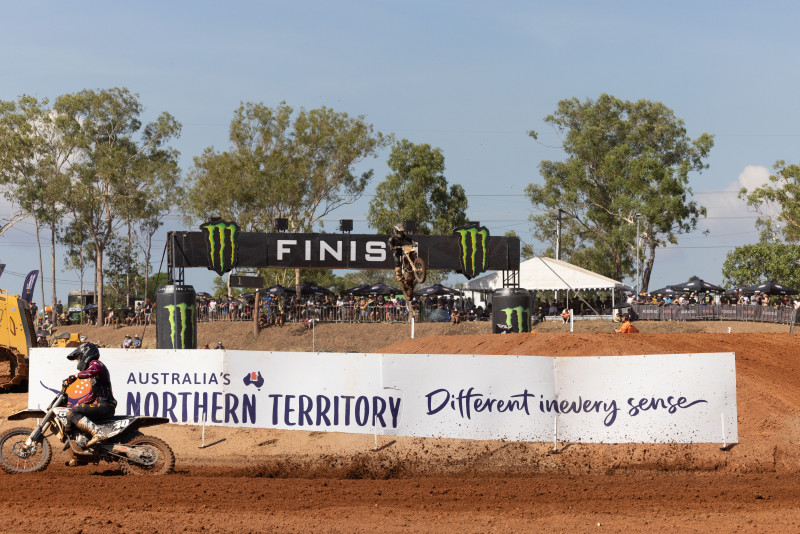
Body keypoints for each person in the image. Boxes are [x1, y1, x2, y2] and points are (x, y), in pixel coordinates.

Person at [63, 343, 116, 450]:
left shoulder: (96, 363)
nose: (78, 361)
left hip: (105, 405)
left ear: (85, 354)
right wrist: (78, 404)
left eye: (78, 358)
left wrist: (75, 376)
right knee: (75, 411)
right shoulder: (95, 375)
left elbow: (92, 371)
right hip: (104, 405)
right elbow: (92, 396)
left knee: (74, 413)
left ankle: (98, 434)